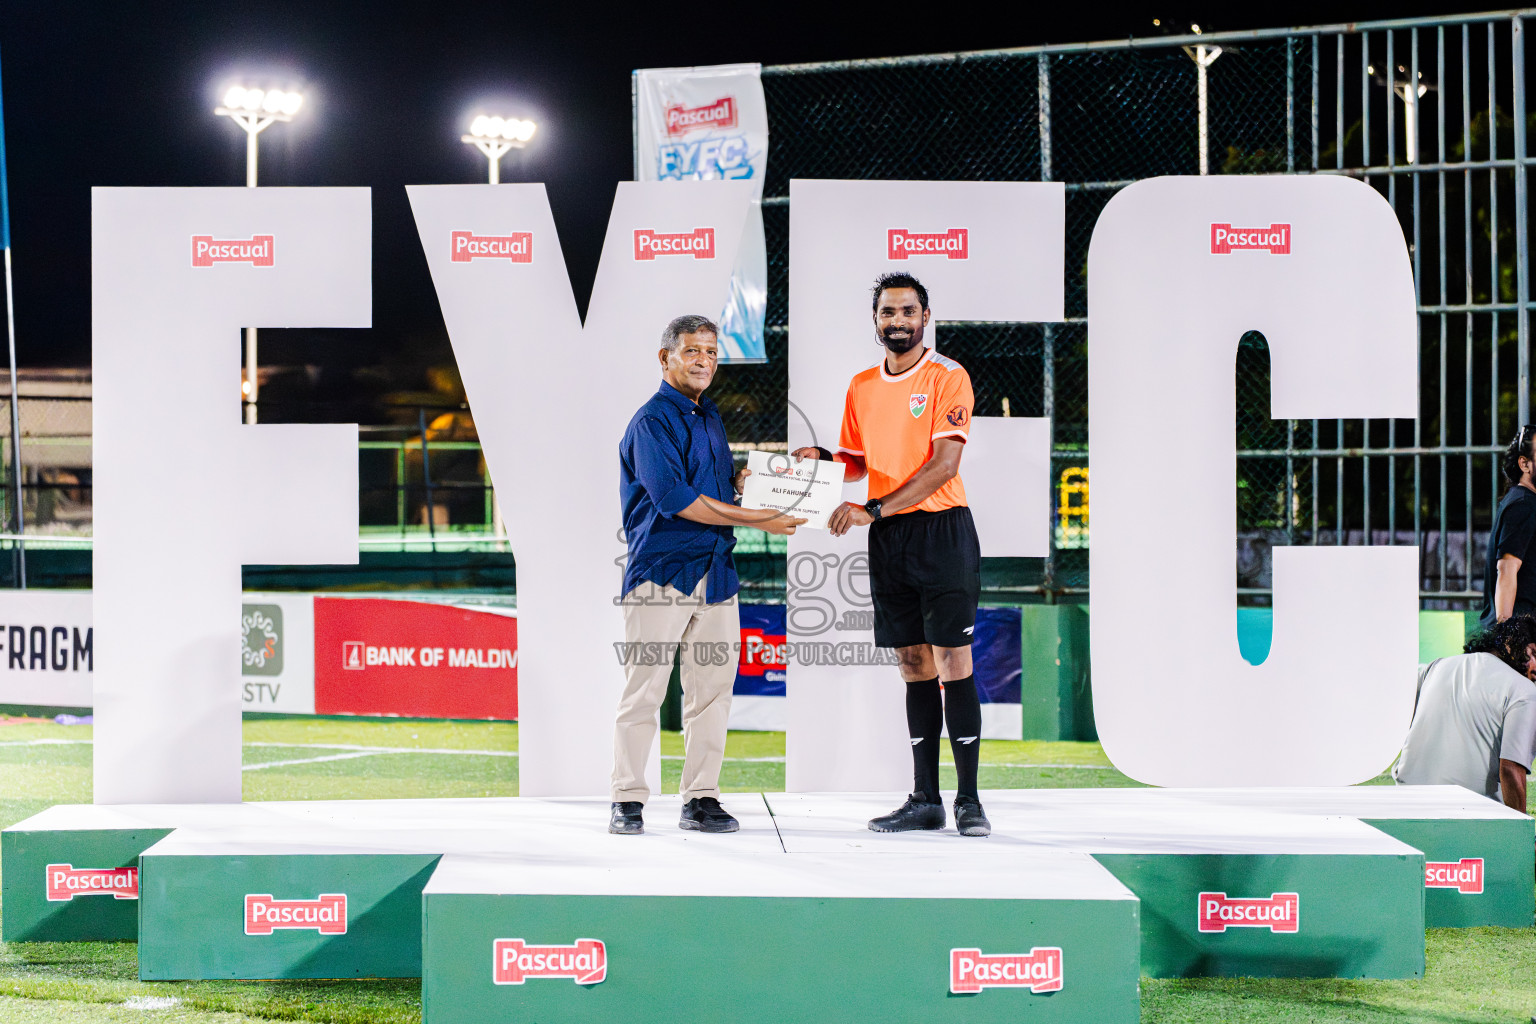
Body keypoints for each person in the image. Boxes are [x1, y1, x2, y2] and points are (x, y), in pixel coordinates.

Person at [792, 272, 990, 837]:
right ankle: (924, 799)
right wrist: (823, 458)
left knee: (954, 662)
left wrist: (872, 509)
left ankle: (969, 801)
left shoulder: (948, 376)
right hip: (891, 541)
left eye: (907, 311)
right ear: (875, 320)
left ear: (925, 317)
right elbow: (857, 459)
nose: (897, 322)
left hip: (941, 530)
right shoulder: (861, 385)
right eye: (887, 313)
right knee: (912, 664)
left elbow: (943, 466)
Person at [611, 314, 804, 836]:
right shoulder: (651, 421)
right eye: (692, 351)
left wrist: (748, 484)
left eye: (711, 353)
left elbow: (715, 491)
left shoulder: (709, 414)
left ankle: (700, 798)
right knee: (644, 692)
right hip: (662, 574)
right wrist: (761, 516)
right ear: (665, 357)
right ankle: (626, 799)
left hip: (717, 575)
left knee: (712, 694)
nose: (703, 361)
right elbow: (677, 501)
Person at [1394, 615, 1536, 811]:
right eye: (1534, 653)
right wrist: (1523, 837)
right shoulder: (1524, 691)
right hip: (1470, 815)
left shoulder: (1437, 666)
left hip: (1406, 801)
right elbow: (1511, 769)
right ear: (1511, 642)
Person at [1479, 425, 1536, 628]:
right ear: (1524, 464)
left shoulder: (1520, 500)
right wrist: (1509, 638)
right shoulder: (1523, 504)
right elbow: (1506, 569)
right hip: (1522, 639)